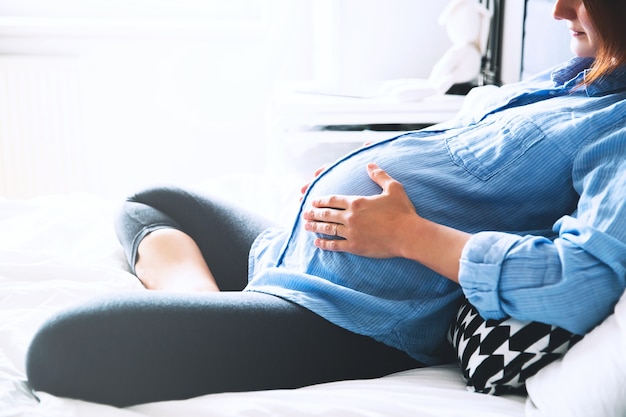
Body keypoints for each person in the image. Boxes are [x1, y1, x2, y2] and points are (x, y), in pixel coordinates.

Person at [26, 0, 626, 408]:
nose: (558, 10)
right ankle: (203, 308)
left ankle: (210, 319)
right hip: (302, 250)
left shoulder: (618, 130)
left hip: (352, 315)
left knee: (59, 347)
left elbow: (579, 281)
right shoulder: (574, 78)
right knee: (151, 203)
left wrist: (407, 236)